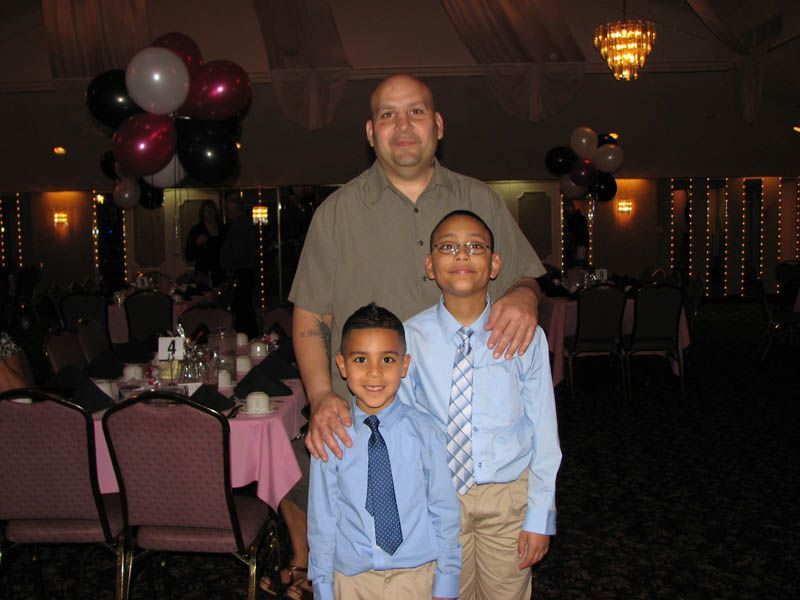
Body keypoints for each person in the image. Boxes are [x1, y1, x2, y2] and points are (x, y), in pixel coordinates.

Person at [289, 73, 546, 462]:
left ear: (438, 125)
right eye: (388, 115)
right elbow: (311, 318)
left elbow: (523, 276)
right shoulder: (334, 215)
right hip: (369, 425)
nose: (403, 125)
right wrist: (322, 395)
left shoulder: (483, 201)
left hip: (471, 427)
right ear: (371, 132)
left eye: (416, 112)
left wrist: (526, 294)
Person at [401, 210, 561, 599]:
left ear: (494, 264)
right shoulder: (409, 337)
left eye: (475, 246)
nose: (461, 255)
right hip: (439, 498)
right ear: (430, 265)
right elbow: (402, 429)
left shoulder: (525, 334)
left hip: (507, 498)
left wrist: (540, 517)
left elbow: (544, 430)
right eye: (448, 247)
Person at [307, 303, 461, 600]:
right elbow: (322, 519)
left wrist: (448, 580)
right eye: (361, 359)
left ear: (404, 365)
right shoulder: (331, 435)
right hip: (352, 579)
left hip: (416, 575)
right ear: (342, 365)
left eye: (388, 359)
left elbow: (444, 510)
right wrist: (323, 587)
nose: (374, 373)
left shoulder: (425, 431)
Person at [219, 194, 259, 338]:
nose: (227, 213)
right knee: (244, 308)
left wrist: (230, 269)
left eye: (229, 209)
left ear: (236, 209)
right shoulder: (241, 224)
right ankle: (248, 336)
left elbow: (238, 251)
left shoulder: (239, 225)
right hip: (243, 272)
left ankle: (246, 338)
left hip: (241, 272)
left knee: (242, 309)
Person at [185, 200, 226, 285]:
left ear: (216, 212)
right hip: (203, 274)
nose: (209, 212)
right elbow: (189, 255)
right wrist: (196, 244)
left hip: (221, 272)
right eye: (206, 210)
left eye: (212, 209)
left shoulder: (223, 229)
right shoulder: (196, 230)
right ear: (202, 213)